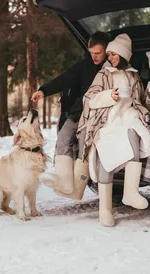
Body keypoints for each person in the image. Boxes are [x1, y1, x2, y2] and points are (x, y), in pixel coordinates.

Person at [77, 33, 150, 227]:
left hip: (128, 117)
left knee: (134, 132)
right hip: (107, 119)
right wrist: (110, 95)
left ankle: (130, 192)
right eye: (108, 54)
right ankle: (105, 209)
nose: (110, 58)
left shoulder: (133, 75)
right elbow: (89, 99)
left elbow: (141, 101)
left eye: (113, 54)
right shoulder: (104, 74)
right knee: (106, 152)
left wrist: (146, 111)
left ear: (123, 55)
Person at [32, 31, 110, 197]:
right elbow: (64, 78)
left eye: (98, 53)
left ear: (107, 50)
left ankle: (77, 190)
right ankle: (64, 183)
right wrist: (44, 90)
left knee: (83, 149)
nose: (94, 57)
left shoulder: (112, 68)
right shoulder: (85, 65)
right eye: (91, 53)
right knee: (63, 139)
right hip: (78, 113)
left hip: (97, 117)